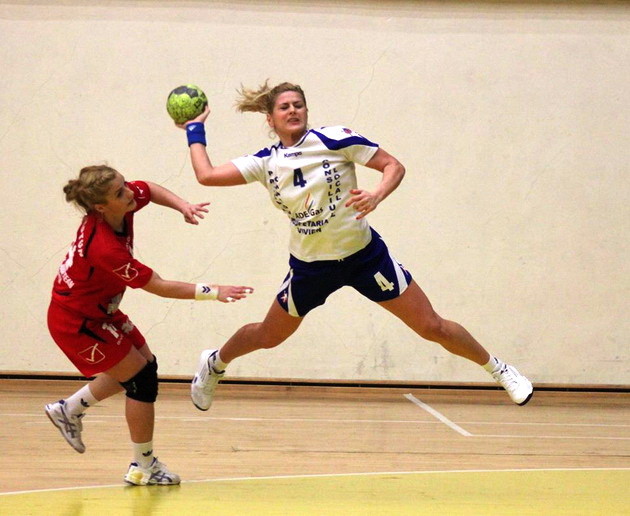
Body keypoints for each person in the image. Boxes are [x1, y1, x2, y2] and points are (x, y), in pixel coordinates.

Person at [177, 80, 533, 413]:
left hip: (364, 257)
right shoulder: (264, 162)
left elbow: (393, 165)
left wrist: (377, 193)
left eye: (298, 105)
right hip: (311, 266)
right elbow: (206, 175)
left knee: (432, 327)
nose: (293, 111)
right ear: (270, 119)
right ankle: (215, 363)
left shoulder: (334, 139)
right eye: (284, 107)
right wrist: (195, 129)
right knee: (268, 336)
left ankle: (500, 370)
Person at [44, 165, 253, 486]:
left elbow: (149, 188)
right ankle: (143, 467)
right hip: (77, 322)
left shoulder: (121, 205)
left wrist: (183, 205)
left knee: (145, 367)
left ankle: (67, 409)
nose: (129, 192)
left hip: (102, 311)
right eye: (119, 192)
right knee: (140, 380)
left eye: (124, 184)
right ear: (100, 207)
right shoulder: (104, 248)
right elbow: (157, 285)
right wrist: (215, 292)